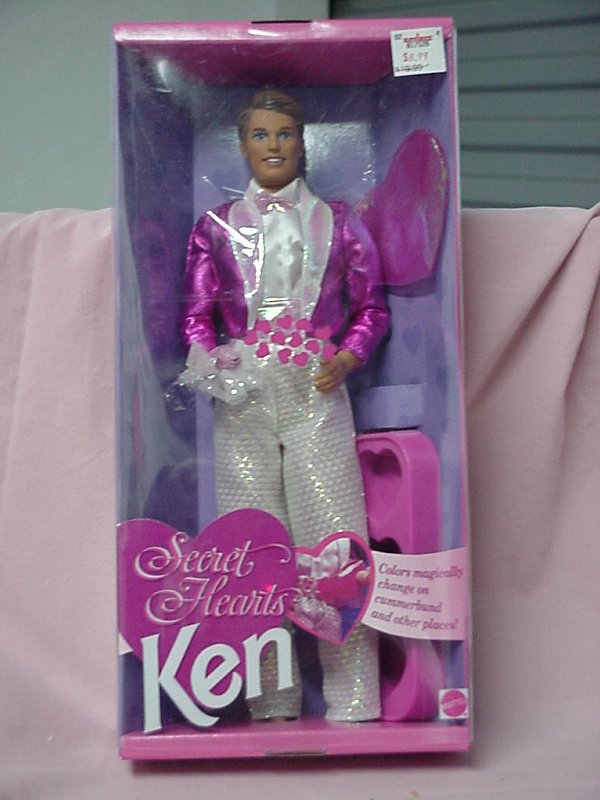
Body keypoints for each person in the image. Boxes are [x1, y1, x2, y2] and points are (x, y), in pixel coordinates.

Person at [179, 89, 389, 721]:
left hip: (315, 387)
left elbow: (371, 308)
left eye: (285, 133)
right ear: (243, 146)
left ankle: (355, 696)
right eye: (260, 135)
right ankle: (271, 698)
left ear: (302, 143)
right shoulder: (215, 227)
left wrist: (348, 356)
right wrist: (214, 362)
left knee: (334, 537)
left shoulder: (339, 221)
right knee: (252, 543)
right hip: (244, 391)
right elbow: (196, 315)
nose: (273, 145)